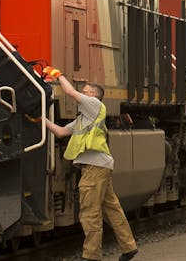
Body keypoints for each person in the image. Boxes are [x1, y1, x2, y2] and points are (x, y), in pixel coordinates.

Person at [41, 67, 139, 261]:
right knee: (111, 208)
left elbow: (69, 92)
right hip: (99, 166)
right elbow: (60, 132)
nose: (81, 95)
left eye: (85, 92)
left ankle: (91, 256)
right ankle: (129, 246)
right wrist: (40, 120)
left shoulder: (94, 105)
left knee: (89, 211)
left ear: (93, 95)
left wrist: (57, 74)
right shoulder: (83, 120)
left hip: (94, 168)